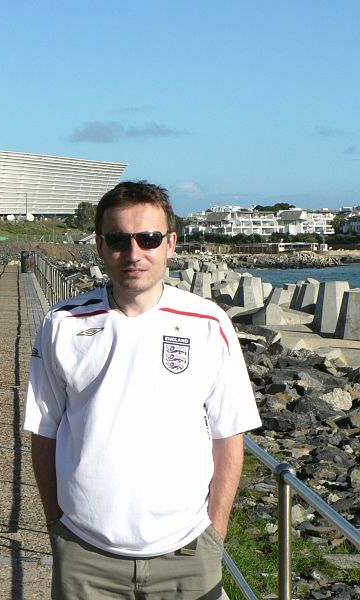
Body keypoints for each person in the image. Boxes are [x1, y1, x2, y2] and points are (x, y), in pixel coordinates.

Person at [24, 181, 261, 599]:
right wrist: (56, 526)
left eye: (148, 238)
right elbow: (44, 431)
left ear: (171, 243)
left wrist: (214, 532)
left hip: (187, 552)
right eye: (118, 239)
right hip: (85, 552)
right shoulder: (62, 323)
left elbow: (229, 435)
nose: (134, 254)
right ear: (100, 246)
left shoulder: (208, 323)